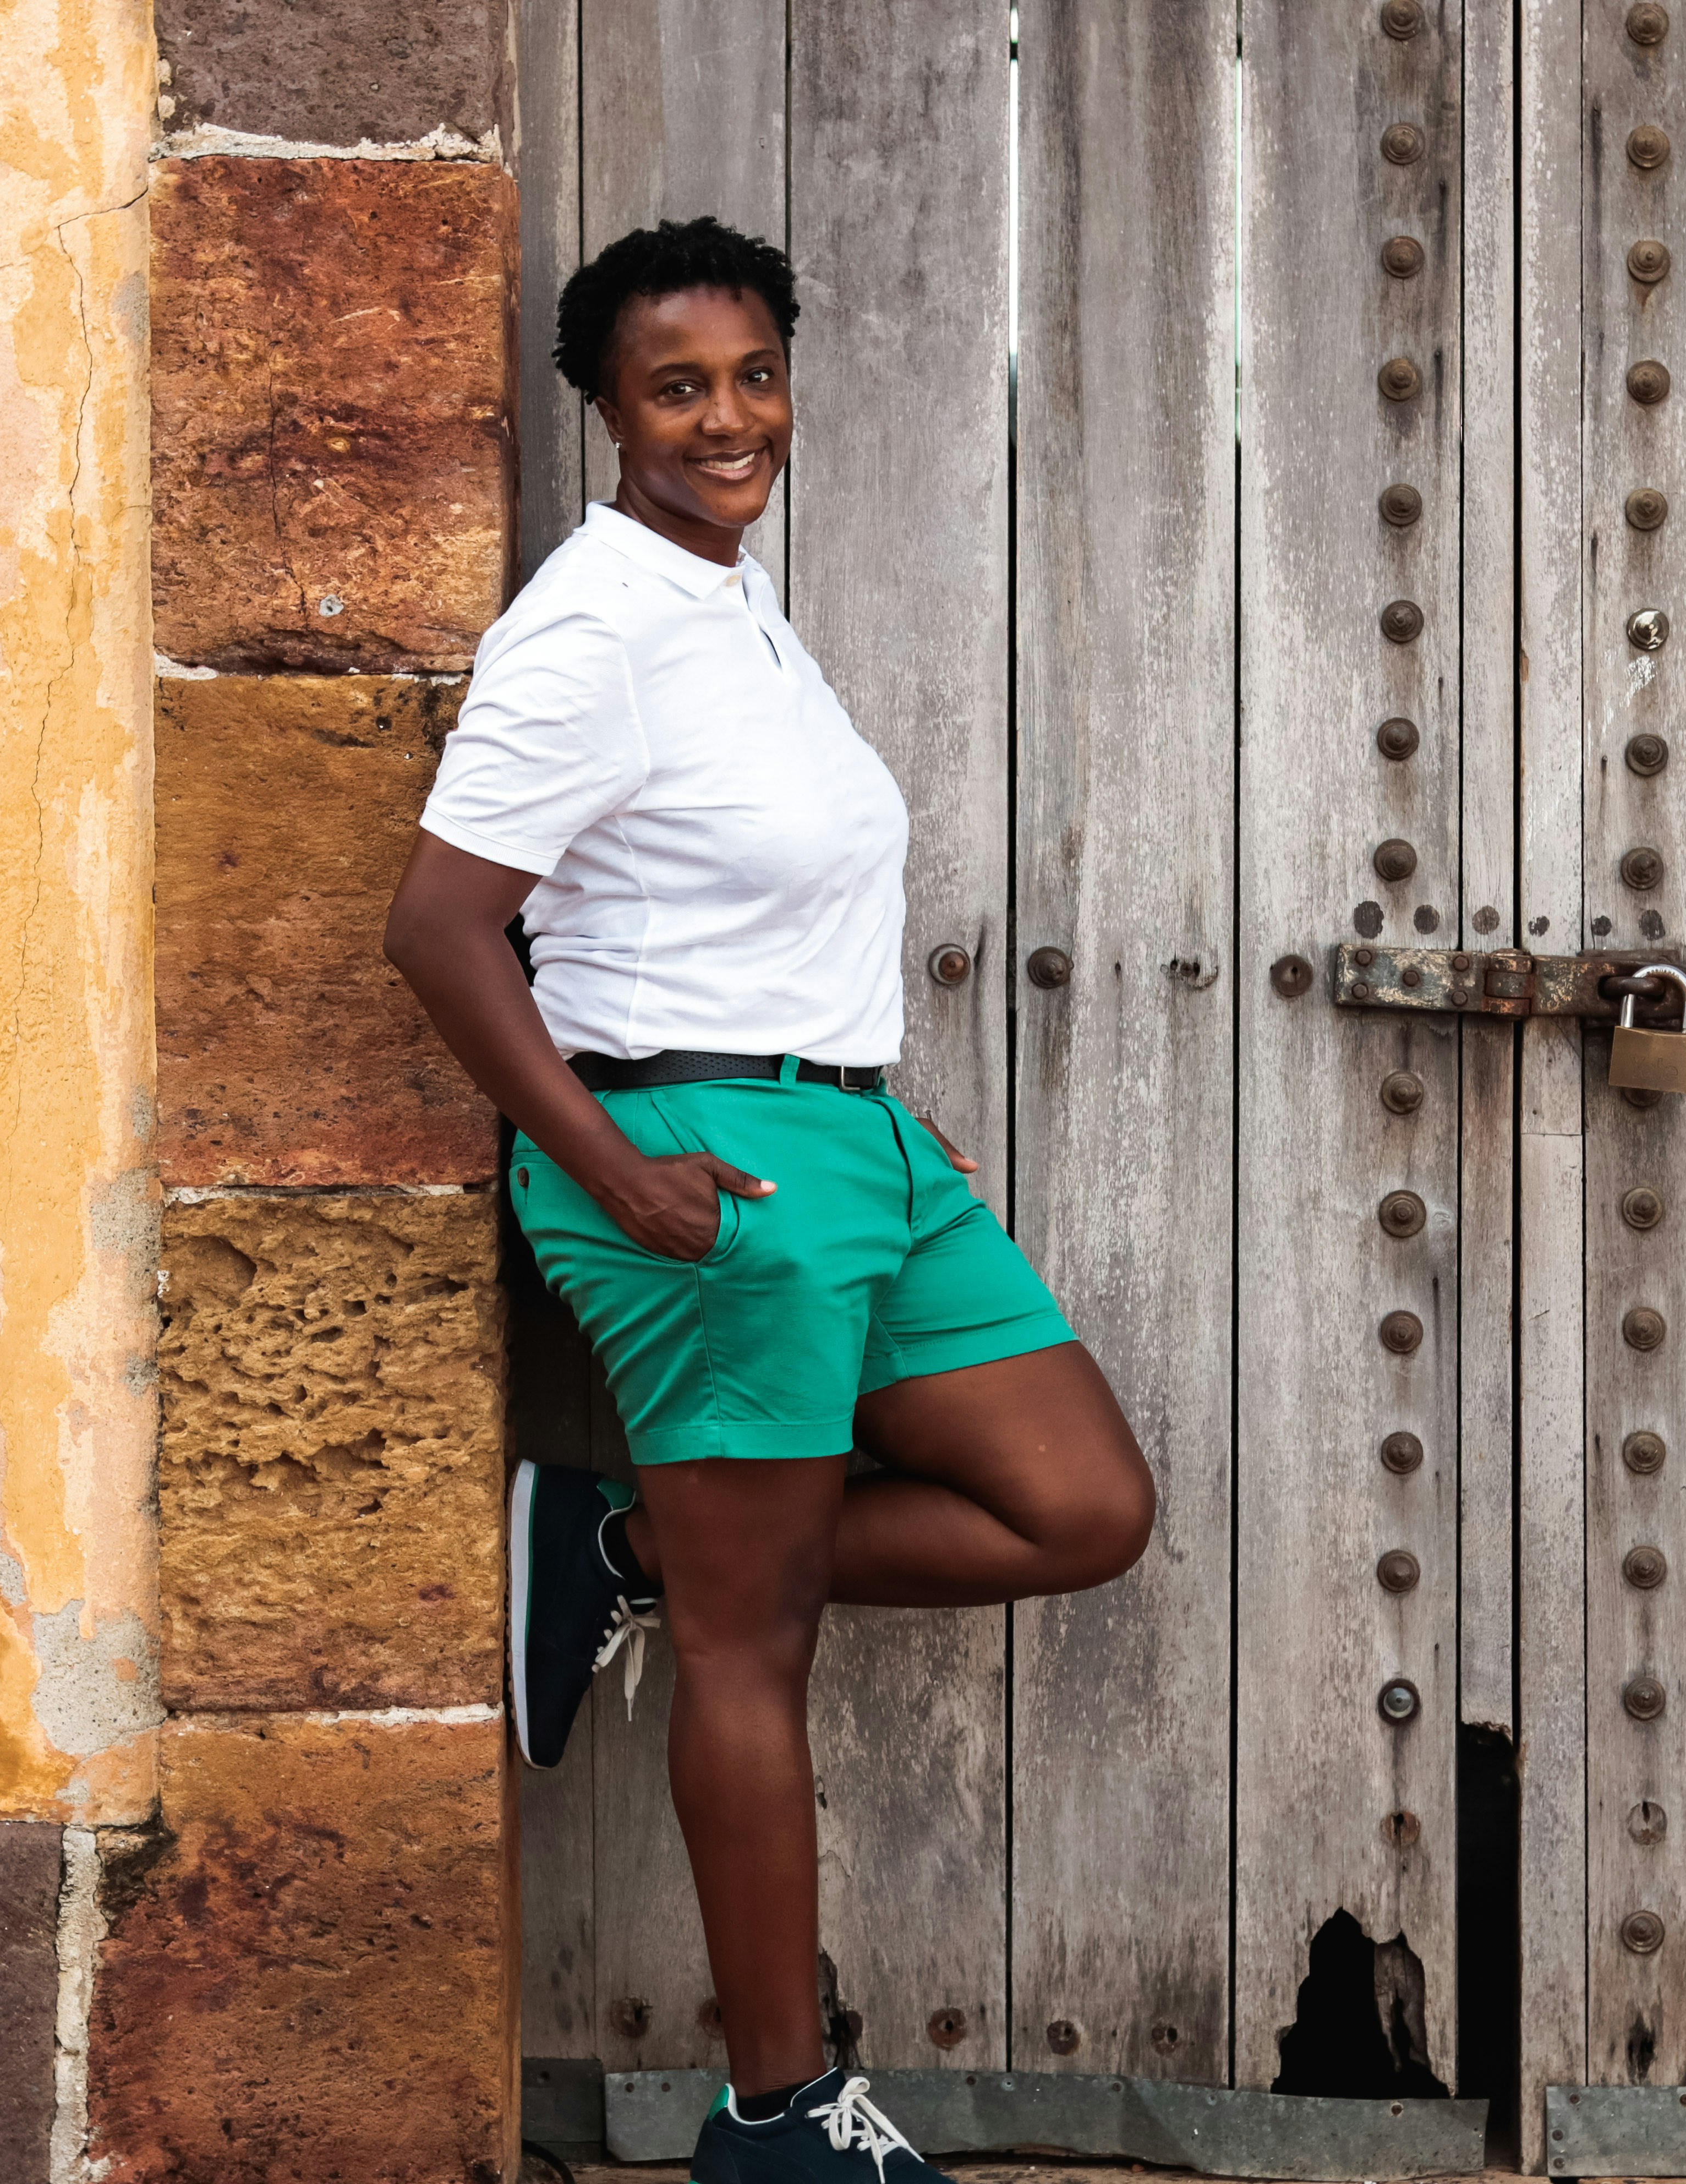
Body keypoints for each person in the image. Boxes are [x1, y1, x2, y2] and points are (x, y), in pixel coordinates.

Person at [384, 216, 1157, 2184]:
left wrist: (872, 1109)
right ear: (606, 411)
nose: (725, 419)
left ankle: (623, 1541)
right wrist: (617, 1166)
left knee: (1081, 1505)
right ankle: (782, 2119)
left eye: (749, 377)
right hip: (701, 1172)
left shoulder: (733, 603)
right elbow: (444, 926)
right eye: (676, 388)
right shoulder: (595, 625)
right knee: (760, 1646)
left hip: (849, 1151)